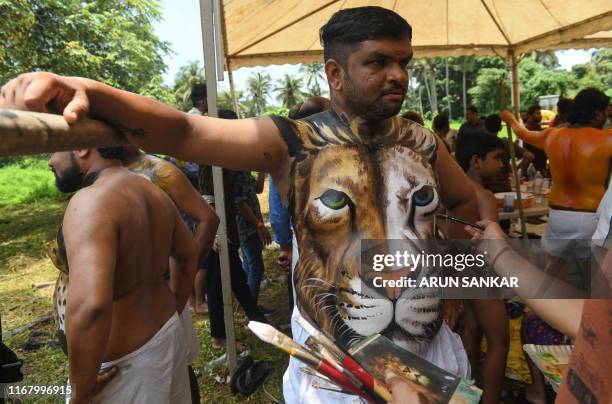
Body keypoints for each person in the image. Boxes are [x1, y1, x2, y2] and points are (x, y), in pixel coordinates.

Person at [0, 7, 479, 403]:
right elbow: (184, 131)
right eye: (378, 62)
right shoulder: (292, 141)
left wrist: (452, 279)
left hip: (427, 353)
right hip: (336, 370)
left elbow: (466, 203)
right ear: (335, 72)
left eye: (404, 62)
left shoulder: (422, 142)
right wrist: (86, 90)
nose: (397, 75)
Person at [47, 146, 197, 403]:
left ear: (82, 148)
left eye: (53, 150)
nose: (50, 161)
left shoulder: (90, 201)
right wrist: (173, 306)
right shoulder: (150, 190)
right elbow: (186, 256)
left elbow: (91, 306)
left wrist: (80, 387)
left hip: (125, 369)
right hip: (164, 340)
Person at [120, 145, 218, 403]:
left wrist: (183, 282)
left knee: (178, 369)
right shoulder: (102, 172)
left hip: (161, 297)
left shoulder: (157, 170)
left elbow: (207, 218)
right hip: (123, 310)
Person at [501, 88, 612, 287]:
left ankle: (545, 311)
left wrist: (509, 118)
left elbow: (522, 133)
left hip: (559, 215)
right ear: (597, 114)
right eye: (605, 111)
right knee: (592, 276)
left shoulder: (552, 135)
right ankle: (587, 313)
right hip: (591, 217)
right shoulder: (607, 139)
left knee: (554, 272)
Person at [199, 109, 268, 350]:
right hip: (218, 230)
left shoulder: (226, 154)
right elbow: (206, 195)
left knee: (236, 279)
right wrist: (216, 232)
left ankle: (259, 323)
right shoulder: (210, 156)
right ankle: (221, 337)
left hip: (225, 229)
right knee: (219, 284)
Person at [454, 133, 509, 404]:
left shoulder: (452, 191)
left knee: (471, 331)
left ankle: (467, 394)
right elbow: (490, 250)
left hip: (459, 272)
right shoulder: (483, 196)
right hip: (480, 274)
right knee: (499, 340)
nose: (501, 165)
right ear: (476, 161)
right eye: (497, 158)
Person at [483, 113, 534, 193]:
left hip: (484, 189)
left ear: (484, 127)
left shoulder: (478, 143)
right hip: (503, 188)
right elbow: (529, 156)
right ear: (500, 128)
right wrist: (517, 171)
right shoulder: (506, 143)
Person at [523, 105, 548, 173]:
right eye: (537, 113)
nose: (540, 115)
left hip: (541, 163)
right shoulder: (529, 129)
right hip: (534, 165)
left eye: (540, 113)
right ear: (530, 115)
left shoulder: (537, 126)